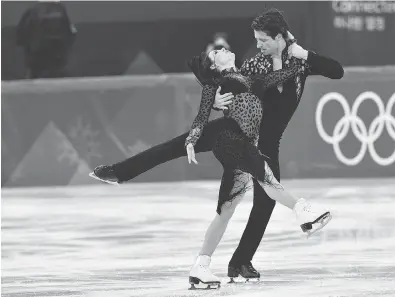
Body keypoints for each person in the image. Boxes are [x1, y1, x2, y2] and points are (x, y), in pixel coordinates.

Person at [90, 8, 344, 282]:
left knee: (259, 202)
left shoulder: (300, 62)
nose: (258, 46)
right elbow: (236, 87)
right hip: (238, 134)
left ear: (280, 37)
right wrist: (215, 100)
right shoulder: (256, 64)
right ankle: (119, 172)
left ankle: (239, 262)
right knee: (179, 148)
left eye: (263, 40)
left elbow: (336, 71)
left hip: (267, 140)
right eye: (256, 40)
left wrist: (303, 54)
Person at [183, 47, 331, 289]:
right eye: (215, 52)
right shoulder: (215, 85)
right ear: (213, 66)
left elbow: (283, 74)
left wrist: (301, 60)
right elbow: (201, 116)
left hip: (246, 145)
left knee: (225, 211)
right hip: (234, 143)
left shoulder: (250, 78)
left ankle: (200, 267)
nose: (222, 48)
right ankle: (303, 211)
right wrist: (191, 140)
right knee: (267, 179)